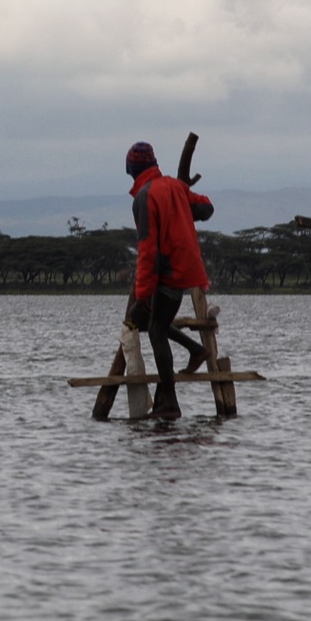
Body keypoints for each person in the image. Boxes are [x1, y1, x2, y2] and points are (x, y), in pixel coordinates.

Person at [123, 141, 214, 420]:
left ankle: (169, 404)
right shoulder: (175, 186)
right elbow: (206, 208)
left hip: (169, 271)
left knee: (155, 331)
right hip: (188, 269)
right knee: (156, 324)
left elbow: (148, 249)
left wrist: (142, 295)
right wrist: (184, 210)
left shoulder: (145, 196)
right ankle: (196, 349)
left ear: (131, 169)